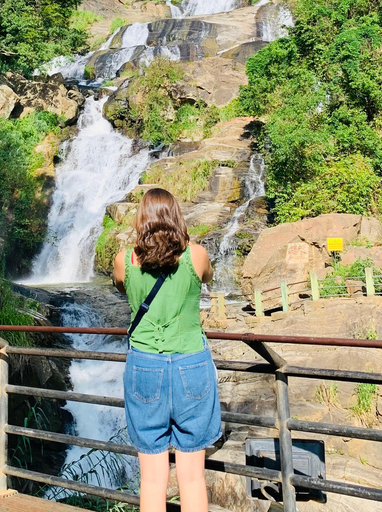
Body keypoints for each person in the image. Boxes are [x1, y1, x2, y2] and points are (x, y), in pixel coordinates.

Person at [112, 188, 220, 512]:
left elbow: (121, 286)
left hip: (144, 367)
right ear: (176, 216)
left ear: (141, 219)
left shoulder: (124, 260)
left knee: (152, 481)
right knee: (192, 479)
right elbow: (208, 277)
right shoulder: (196, 256)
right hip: (192, 365)